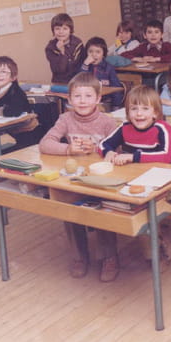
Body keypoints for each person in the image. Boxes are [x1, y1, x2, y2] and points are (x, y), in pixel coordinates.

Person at [38, 72, 118, 281]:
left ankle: (109, 257)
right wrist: (68, 149)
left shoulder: (107, 123)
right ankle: (79, 257)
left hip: (101, 179)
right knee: (69, 206)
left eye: (88, 96)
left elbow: (119, 150)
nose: (82, 101)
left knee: (102, 210)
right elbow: (45, 144)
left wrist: (99, 149)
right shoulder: (65, 119)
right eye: (77, 96)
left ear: (98, 99)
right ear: (69, 99)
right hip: (75, 178)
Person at [100, 85, 171, 165]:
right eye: (134, 108)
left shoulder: (162, 128)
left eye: (145, 108)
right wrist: (108, 152)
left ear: (155, 113)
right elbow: (104, 144)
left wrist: (133, 157)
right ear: (128, 112)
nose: (139, 113)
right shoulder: (125, 127)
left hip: (159, 171)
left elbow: (167, 157)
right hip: (134, 170)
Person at [79, 36, 124, 109]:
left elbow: (116, 88)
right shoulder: (84, 66)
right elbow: (79, 81)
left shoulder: (109, 68)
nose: (94, 54)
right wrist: (85, 64)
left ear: (103, 54)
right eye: (90, 51)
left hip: (105, 101)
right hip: (87, 101)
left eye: (98, 52)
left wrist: (116, 106)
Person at [45, 13, 85, 84]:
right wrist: (62, 52)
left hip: (77, 81)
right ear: (53, 31)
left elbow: (82, 65)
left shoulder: (77, 43)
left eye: (65, 28)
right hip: (60, 82)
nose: (61, 32)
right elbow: (59, 70)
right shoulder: (50, 48)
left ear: (70, 30)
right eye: (57, 29)